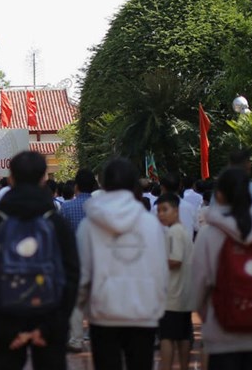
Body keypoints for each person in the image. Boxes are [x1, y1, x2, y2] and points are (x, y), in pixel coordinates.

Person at [0, 152, 79, 369]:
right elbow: (72, 274)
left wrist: (2, 327)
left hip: (6, 321)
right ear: (44, 178)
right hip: (49, 320)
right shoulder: (55, 222)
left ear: (11, 178)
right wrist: (51, 326)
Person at [77, 158, 168, 370]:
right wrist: (158, 305)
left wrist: (80, 308)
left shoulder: (90, 225)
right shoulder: (151, 224)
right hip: (143, 313)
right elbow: (160, 270)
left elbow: (83, 274)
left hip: (103, 314)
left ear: (102, 183)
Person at [192, 167, 252, 369]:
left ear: (220, 195)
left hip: (223, 332)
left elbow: (198, 286)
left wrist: (209, 317)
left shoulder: (209, 234)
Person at [60, 168, 97, 353]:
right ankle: (94, 332)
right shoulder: (101, 208)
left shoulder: (66, 207)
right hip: (98, 259)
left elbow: (61, 235)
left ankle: (76, 338)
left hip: (75, 260)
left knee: (76, 301)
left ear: (76, 187)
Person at [155, 193, 193, 370]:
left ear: (176, 211)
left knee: (167, 336)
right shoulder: (184, 230)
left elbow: (175, 261)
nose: (161, 214)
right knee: (184, 335)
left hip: (172, 294)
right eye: (159, 211)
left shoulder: (173, 233)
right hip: (184, 293)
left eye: (165, 210)